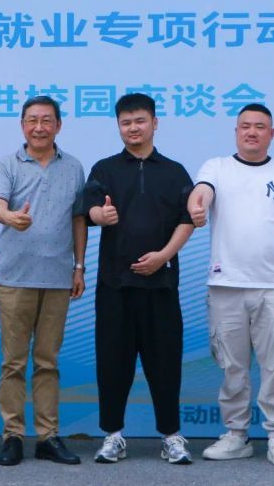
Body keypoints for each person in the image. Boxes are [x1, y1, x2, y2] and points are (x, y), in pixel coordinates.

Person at [188, 102, 274, 467]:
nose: (252, 132)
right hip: (226, 284)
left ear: (272, 133)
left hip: (273, 285)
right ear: (236, 131)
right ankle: (236, 434)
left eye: (259, 126)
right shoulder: (217, 167)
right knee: (232, 366)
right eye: (245, 126)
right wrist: (196, 205)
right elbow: (202, 192)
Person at [84, 93, 195, 466]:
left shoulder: (175, 171)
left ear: (154, 123)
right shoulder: (105, 168)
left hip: (161, 286)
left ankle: (171, 436)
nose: (133, 128)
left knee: (165, 362)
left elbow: (187, 219)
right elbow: (89, 207)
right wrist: (100, 215)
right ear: (119, 126)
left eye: (140, 121)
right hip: (115, 286)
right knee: (112, 362)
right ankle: (112, 435)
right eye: (126, 122)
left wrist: (164, 256)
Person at [0, 96, 87, 467]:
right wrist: (10, 217)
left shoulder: (73, 167)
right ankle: (12, 436)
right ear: (22, 125)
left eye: (47, 120)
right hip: (15, 278)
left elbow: (78, 219)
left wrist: (79, 267)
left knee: (48, 362)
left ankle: (48, 436)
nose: (39, 127)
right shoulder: (7, 164)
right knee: (13, 363)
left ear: (58, 125)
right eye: (32, 120)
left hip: (58, 278)